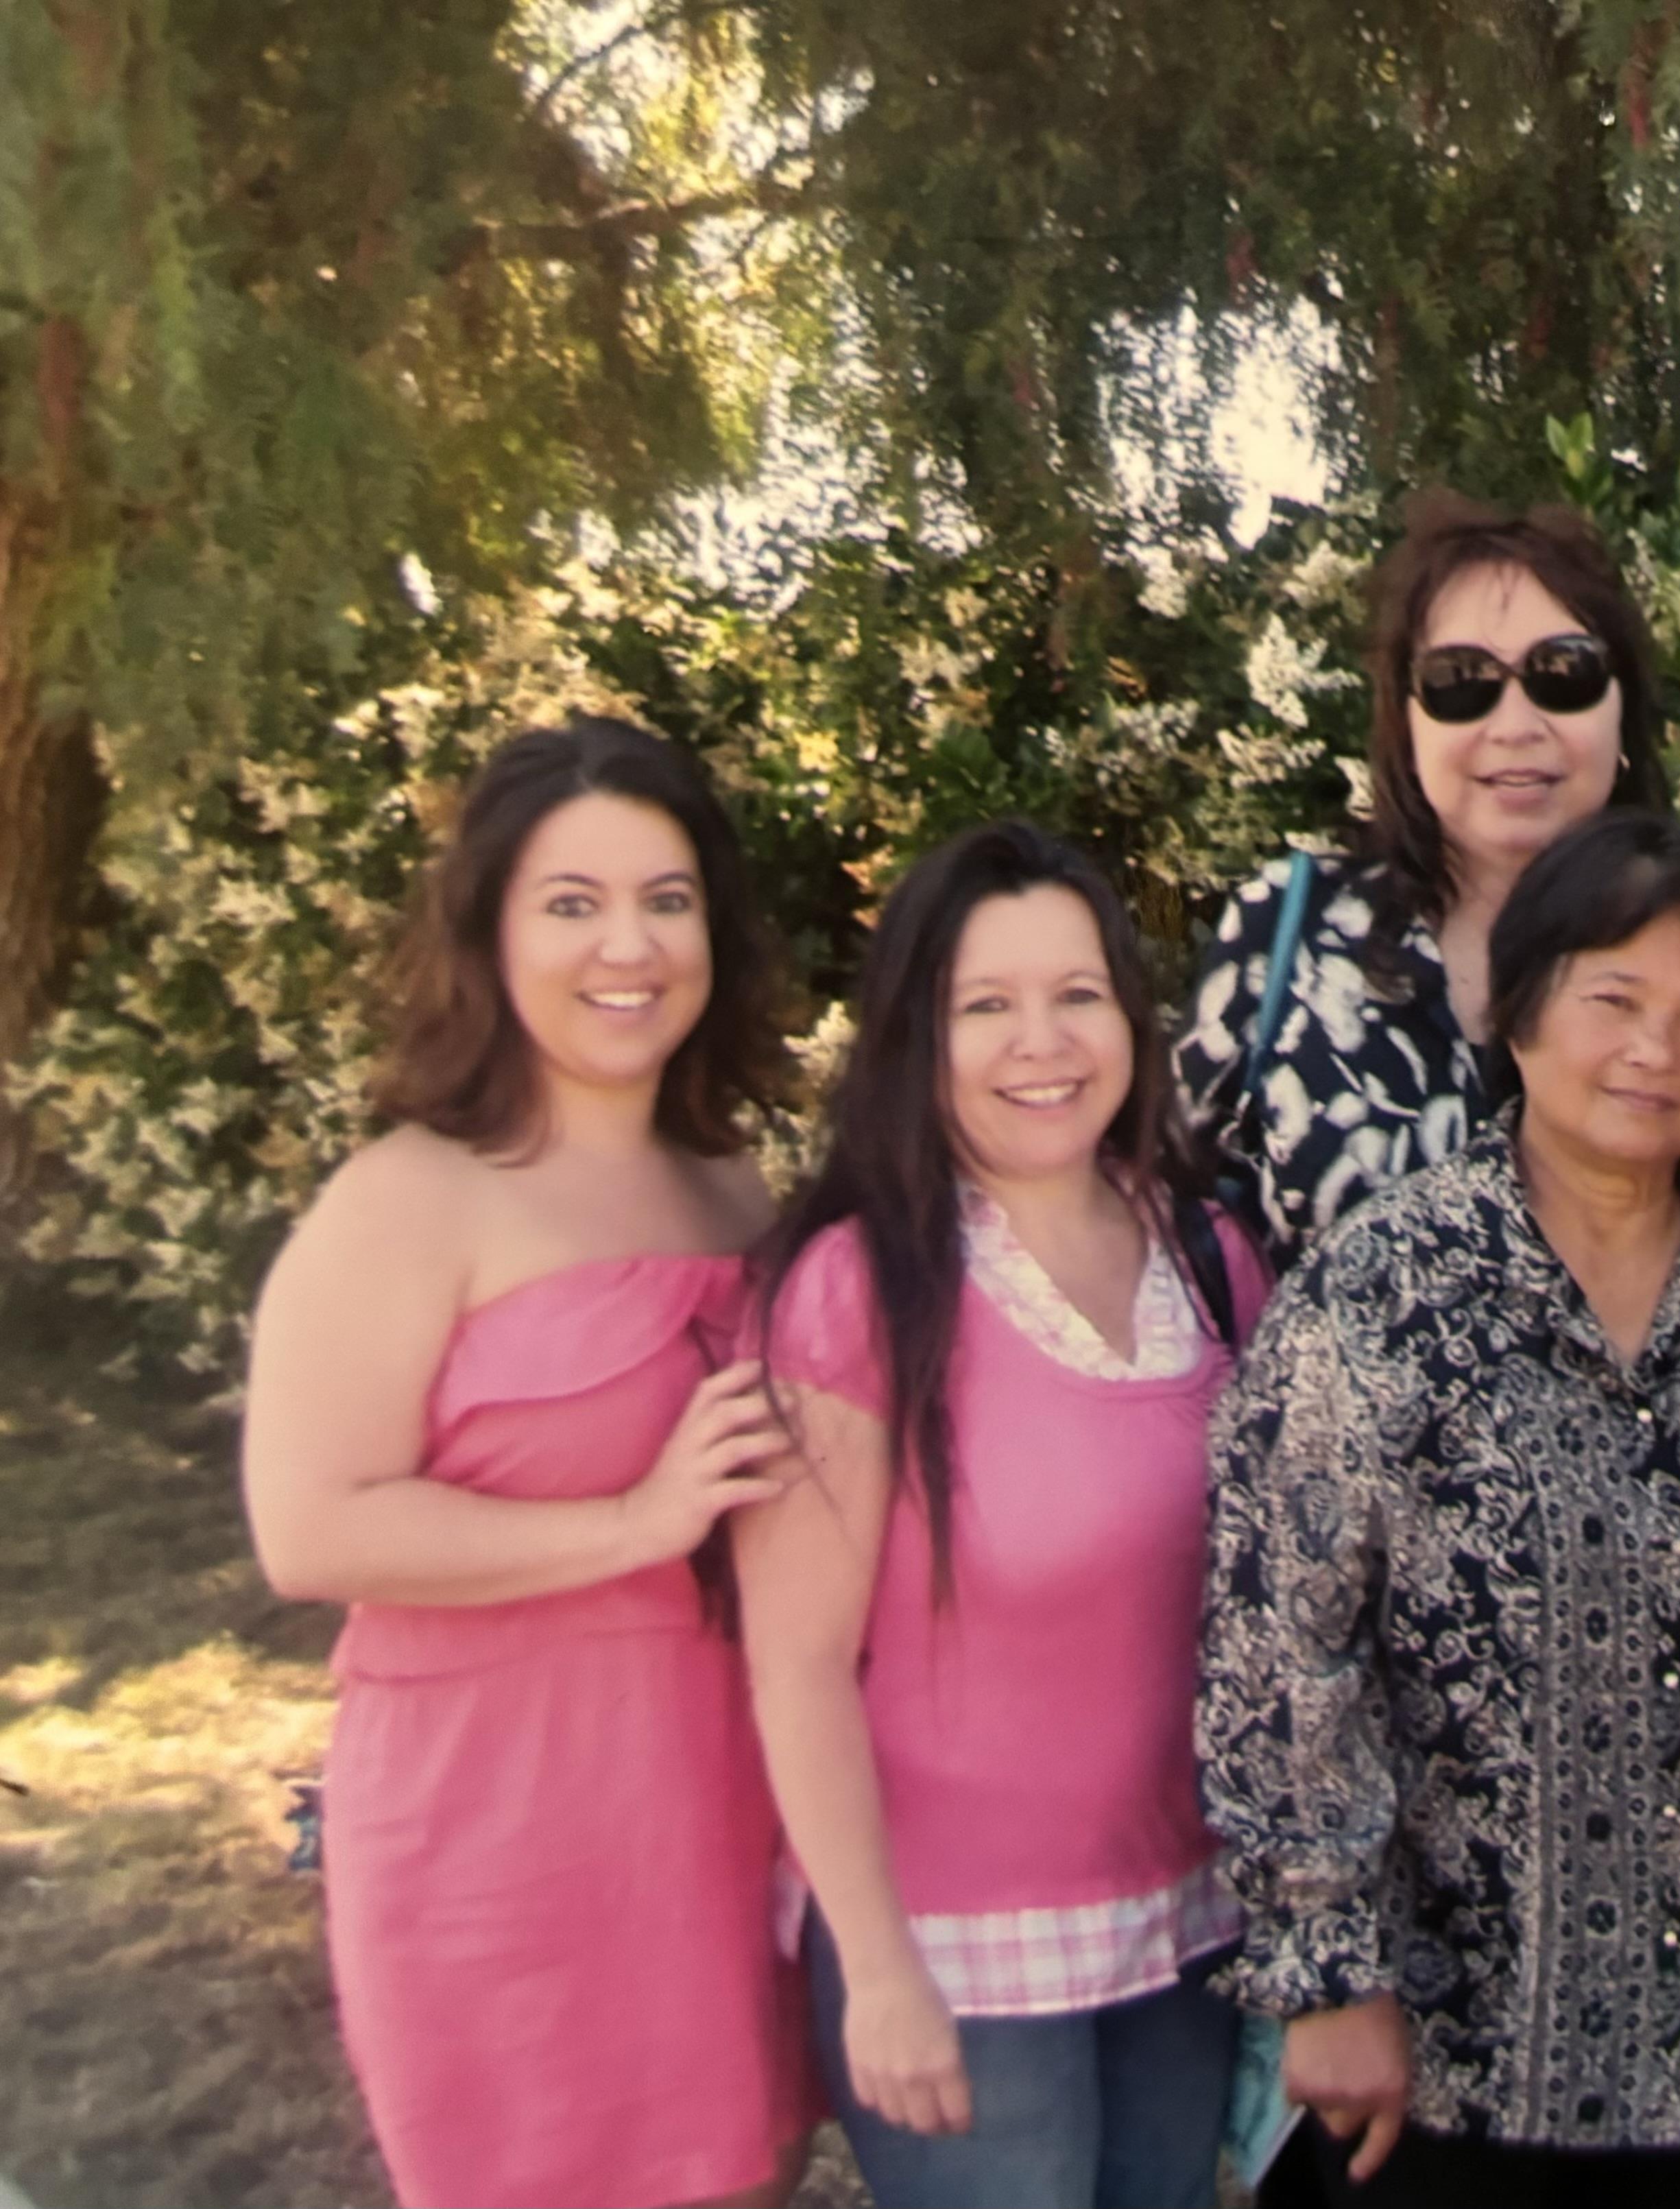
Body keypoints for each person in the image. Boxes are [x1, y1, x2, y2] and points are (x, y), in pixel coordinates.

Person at [239, 717, 810, 2209]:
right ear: (491, 927)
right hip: (499, 1824)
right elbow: (310, 1527)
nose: (628, 942)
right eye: (572, 900)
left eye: (667, 897)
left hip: (711, 1796)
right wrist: (634, 1517)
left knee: (739, 2170)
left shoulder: (726, 1177)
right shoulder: (408, 1196)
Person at [1197, 813, 1680, 2209]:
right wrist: (1328, 1973)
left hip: (1678, 2054)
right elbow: (1276, 1645)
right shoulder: (1384, 1293)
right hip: (1435, 2069)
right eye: (1614, 999)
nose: (1655, 1048)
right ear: (1520, 1015)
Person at [739, 822, 1267, 2209]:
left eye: (1077, 992)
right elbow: (794, 1663)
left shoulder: (1209, 1257)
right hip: (955, 1952)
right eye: (987, 1004)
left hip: (1188, 1923)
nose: (1042, 1040)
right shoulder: (859, 1288)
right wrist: (881, 1967)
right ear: (921, 1034)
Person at [1179, 492, 1670, 1263]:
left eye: (1562, 672)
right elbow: (1160, 1220)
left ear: (1622, 708)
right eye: (1460, 680)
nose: (1514, 725)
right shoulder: (1286, 930)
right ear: (1404, 721)